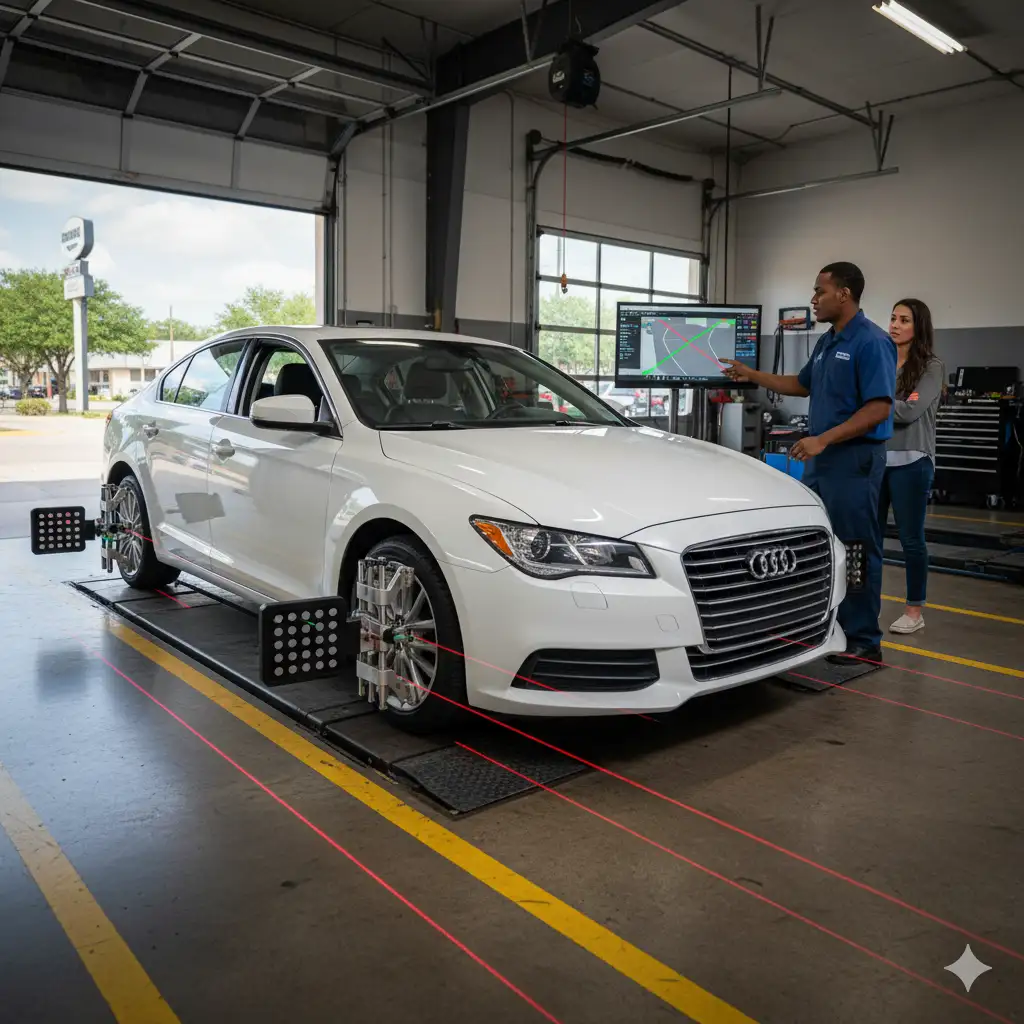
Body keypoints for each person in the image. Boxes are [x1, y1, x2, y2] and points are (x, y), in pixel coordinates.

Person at [722, 262, 896, 664]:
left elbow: (878, 409)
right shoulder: (828, 341)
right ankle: (821, 624)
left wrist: (823, 439)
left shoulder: (872, 342)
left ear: (845, 294)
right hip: (822, 461)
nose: (814, 299)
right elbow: (801, 385)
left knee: (854, 548)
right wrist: (751, 374)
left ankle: (864, 638)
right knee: (817, 545)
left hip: (853, 461)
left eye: (820, 291)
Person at [879, 298, 943, 635]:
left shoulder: (931, 367)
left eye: (904, 319)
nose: (895, 324)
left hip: (913, 462)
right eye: (892, 318)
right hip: (878, 461)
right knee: (869, 537)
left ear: (918, 327)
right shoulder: (881, 361)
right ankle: (865, 605)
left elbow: (908, 413)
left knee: (911, 539)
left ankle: (914, 611)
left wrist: (873, 402)